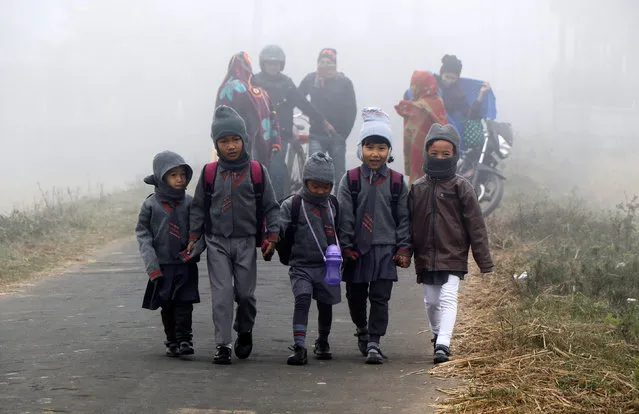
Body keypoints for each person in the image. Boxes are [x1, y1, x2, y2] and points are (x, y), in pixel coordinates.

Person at [188, 106, 280, 365]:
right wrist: (194, 238)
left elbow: (271, 207)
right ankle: (223, 344)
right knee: (222, 294)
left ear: (244, 140)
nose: (230, 146)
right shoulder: (209, 173)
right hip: (216, 241)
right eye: (224, 141)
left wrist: (272, 235)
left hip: (245, 242)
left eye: (235, 140)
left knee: (246, 295)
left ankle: (245, 329)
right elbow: (198, 208)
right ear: (216, 144)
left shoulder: (256, 171)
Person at [408, 123, 494, 364]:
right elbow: (408, 224)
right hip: (426, 256)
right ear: (427, 153)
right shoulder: (417, 188)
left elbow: (476, 227)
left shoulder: (462, 187)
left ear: (455, 155)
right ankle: (437, 336)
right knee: (431, 301)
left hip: (454, 254)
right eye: (434, 153)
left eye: (446, 154)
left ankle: (444, 343)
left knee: (447, 298)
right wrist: (405, 250)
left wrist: (483, 261)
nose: (440, 158)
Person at [337, 108, 412, 364]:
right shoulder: (350, 180)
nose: (376, 153)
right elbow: (344, 217)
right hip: (357, 251)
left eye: (382, 148)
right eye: (370, 147)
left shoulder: (397, 183)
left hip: (385, 250)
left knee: (380, 298)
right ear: (361, 149)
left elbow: (404, 219)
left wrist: (403, 249)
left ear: (389, 152)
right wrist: (345, 246)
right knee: (355, 297)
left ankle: (374, 342)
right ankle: (361, 327)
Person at [136, 150, 204, 359]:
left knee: (184, 304)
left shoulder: (191, 203)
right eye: (173, 175)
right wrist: (152, 266)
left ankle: (185, 340)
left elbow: (201, 231)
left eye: (182, 174)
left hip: (185, 264)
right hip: (162, 266)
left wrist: (194, 251)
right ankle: (172, 340)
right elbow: (143, 235)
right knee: (167, 306)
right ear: (161, 177)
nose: (179, 179)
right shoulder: (150, 205)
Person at [279, 152, 341, 365]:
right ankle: (299, 346)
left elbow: (341, 231)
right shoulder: (293, 205)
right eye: (315, 186)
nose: (320, 191)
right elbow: (279, 227)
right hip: (301, 266)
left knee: (326, 305)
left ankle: (322, 341)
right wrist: (271, 238)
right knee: (302, 300)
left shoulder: (333, 205)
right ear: (306, 182)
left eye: (326, 187)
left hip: (327, 266)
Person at [253, 45, 336, 199]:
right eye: (269, 63)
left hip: (280, 135)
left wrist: (322, 121)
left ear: (281, 65)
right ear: (263, 64)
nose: (273, 66)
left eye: (276, 63)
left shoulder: (287, 84)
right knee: (256, 169)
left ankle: (276, 205)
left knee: (276, 169)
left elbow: (304, 104)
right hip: (258, 134)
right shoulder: (254, 82)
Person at [299, 48, 357, 182]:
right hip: (316, 134)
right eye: (322, 61)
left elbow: (351, 110)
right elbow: (298, 97)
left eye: (328, 62)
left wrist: (343, 134)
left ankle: (339, 201)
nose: (325, 65)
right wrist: (311, 114)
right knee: (313, 173)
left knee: (339, 176)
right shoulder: (311, 79)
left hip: (337, 135)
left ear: (334, 64)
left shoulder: (344, 82)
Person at [216, 52, 281, 165]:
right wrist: (275, 141)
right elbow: (273, 115)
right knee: (258, 176)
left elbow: (220, 118)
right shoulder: (261, 92)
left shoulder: (229, 87)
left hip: (236, 146)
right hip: (261, 148)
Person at [395, 71, 449, 185]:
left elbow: (410, 138)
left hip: (422, 157)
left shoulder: (417, 108)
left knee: (420, 190)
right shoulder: (438, 101)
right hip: (442, 156)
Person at [435, 54, 493, 152]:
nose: (449, 81)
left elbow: (470, 113)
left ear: (457, 78)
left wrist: (481, 94)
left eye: (453, 78)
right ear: (441, 74)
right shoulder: (432, 86)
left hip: (451, 133)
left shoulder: (457, 93)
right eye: (447, 77)